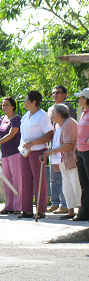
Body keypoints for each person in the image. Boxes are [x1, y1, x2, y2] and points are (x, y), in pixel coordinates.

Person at [18, 90, 54, 219]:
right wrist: (21, 150)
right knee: (25, 180)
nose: (25, 103)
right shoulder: (25, 115)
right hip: (25, 152)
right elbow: (23, 134)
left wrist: (33, 142)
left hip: (38, 150)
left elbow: (50, 134)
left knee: (39, 180)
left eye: (27, 101)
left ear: (34, 102)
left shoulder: (42, 116)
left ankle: (40, 209)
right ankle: (26, 210)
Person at [41, 104, 80, 219]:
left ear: (59, 115)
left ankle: (81, 211)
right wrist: (51, 151)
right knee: (67, 186)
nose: (51, 117)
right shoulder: (58, 125)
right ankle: (71, 211)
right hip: (63, 161)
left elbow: (69, 144)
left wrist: (52, 151)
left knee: (76, 185)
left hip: (71, 160)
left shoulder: (69, 123)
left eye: (52, 115)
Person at [46, 85, 76, 214]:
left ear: (64, 95)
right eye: (53, 92)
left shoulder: (67, 110)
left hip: (66, 150)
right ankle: (55, 202)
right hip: (54, 147)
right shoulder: (50, 109)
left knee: (66, 179)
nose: (55, 95)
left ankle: (65, 205)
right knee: (54, 177)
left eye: (58, 92)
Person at [73, 88, 89, 221]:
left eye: (81, 97)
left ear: (86, 99)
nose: (79, 99)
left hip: (88, 152)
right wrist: (75, 151)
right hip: (81, 152)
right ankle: (84, 213)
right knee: (84, 185)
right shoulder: (84, 113)